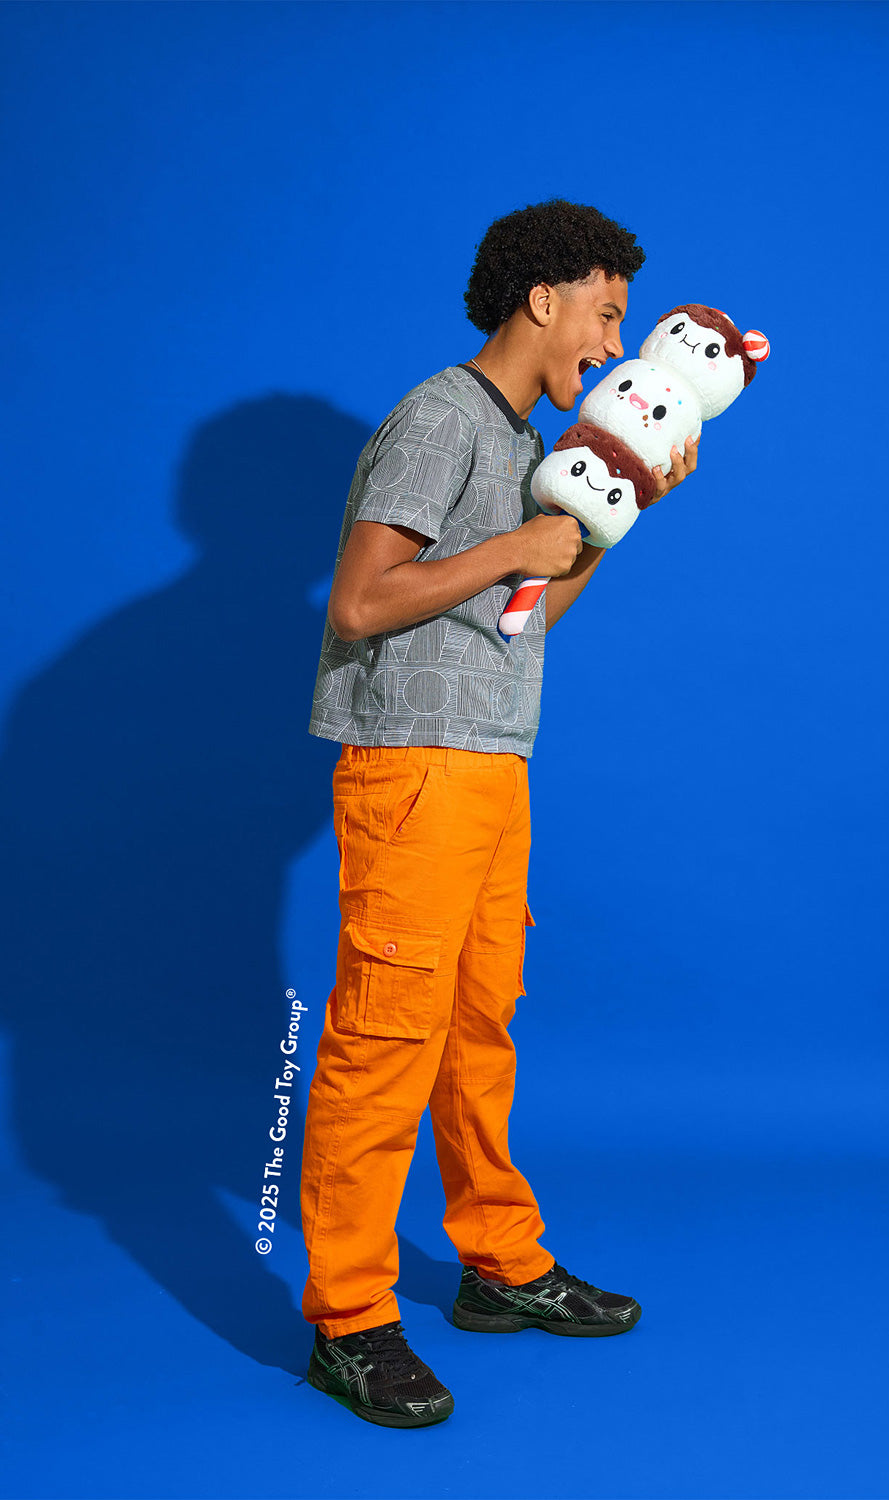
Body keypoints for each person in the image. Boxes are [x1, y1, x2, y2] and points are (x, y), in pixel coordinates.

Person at [299, 198, 699, 1428]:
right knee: (386, 1037)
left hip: (490, 764)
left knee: (479, 1027)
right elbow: (359, 606)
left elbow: (529, 618)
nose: (615, 341)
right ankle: (350, 1319)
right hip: (412, 767)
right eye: (607, 311)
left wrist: (613, 523)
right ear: (543, 299)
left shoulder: (533, 444)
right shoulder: (437, 417)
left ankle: (497, 1266)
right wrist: (515, 538)